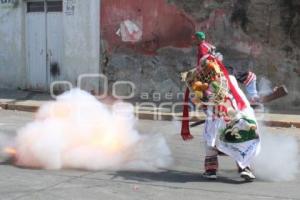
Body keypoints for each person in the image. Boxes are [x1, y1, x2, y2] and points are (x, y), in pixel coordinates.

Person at [181, 33, 260, 181]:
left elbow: (250, 77)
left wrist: (253, 96)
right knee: (216, 139)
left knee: (238, 137)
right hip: (217, 114)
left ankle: (243, 168)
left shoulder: (227, 71)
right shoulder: (197, 78)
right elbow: (195, 97)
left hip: (233, 112)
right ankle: (217, 170)